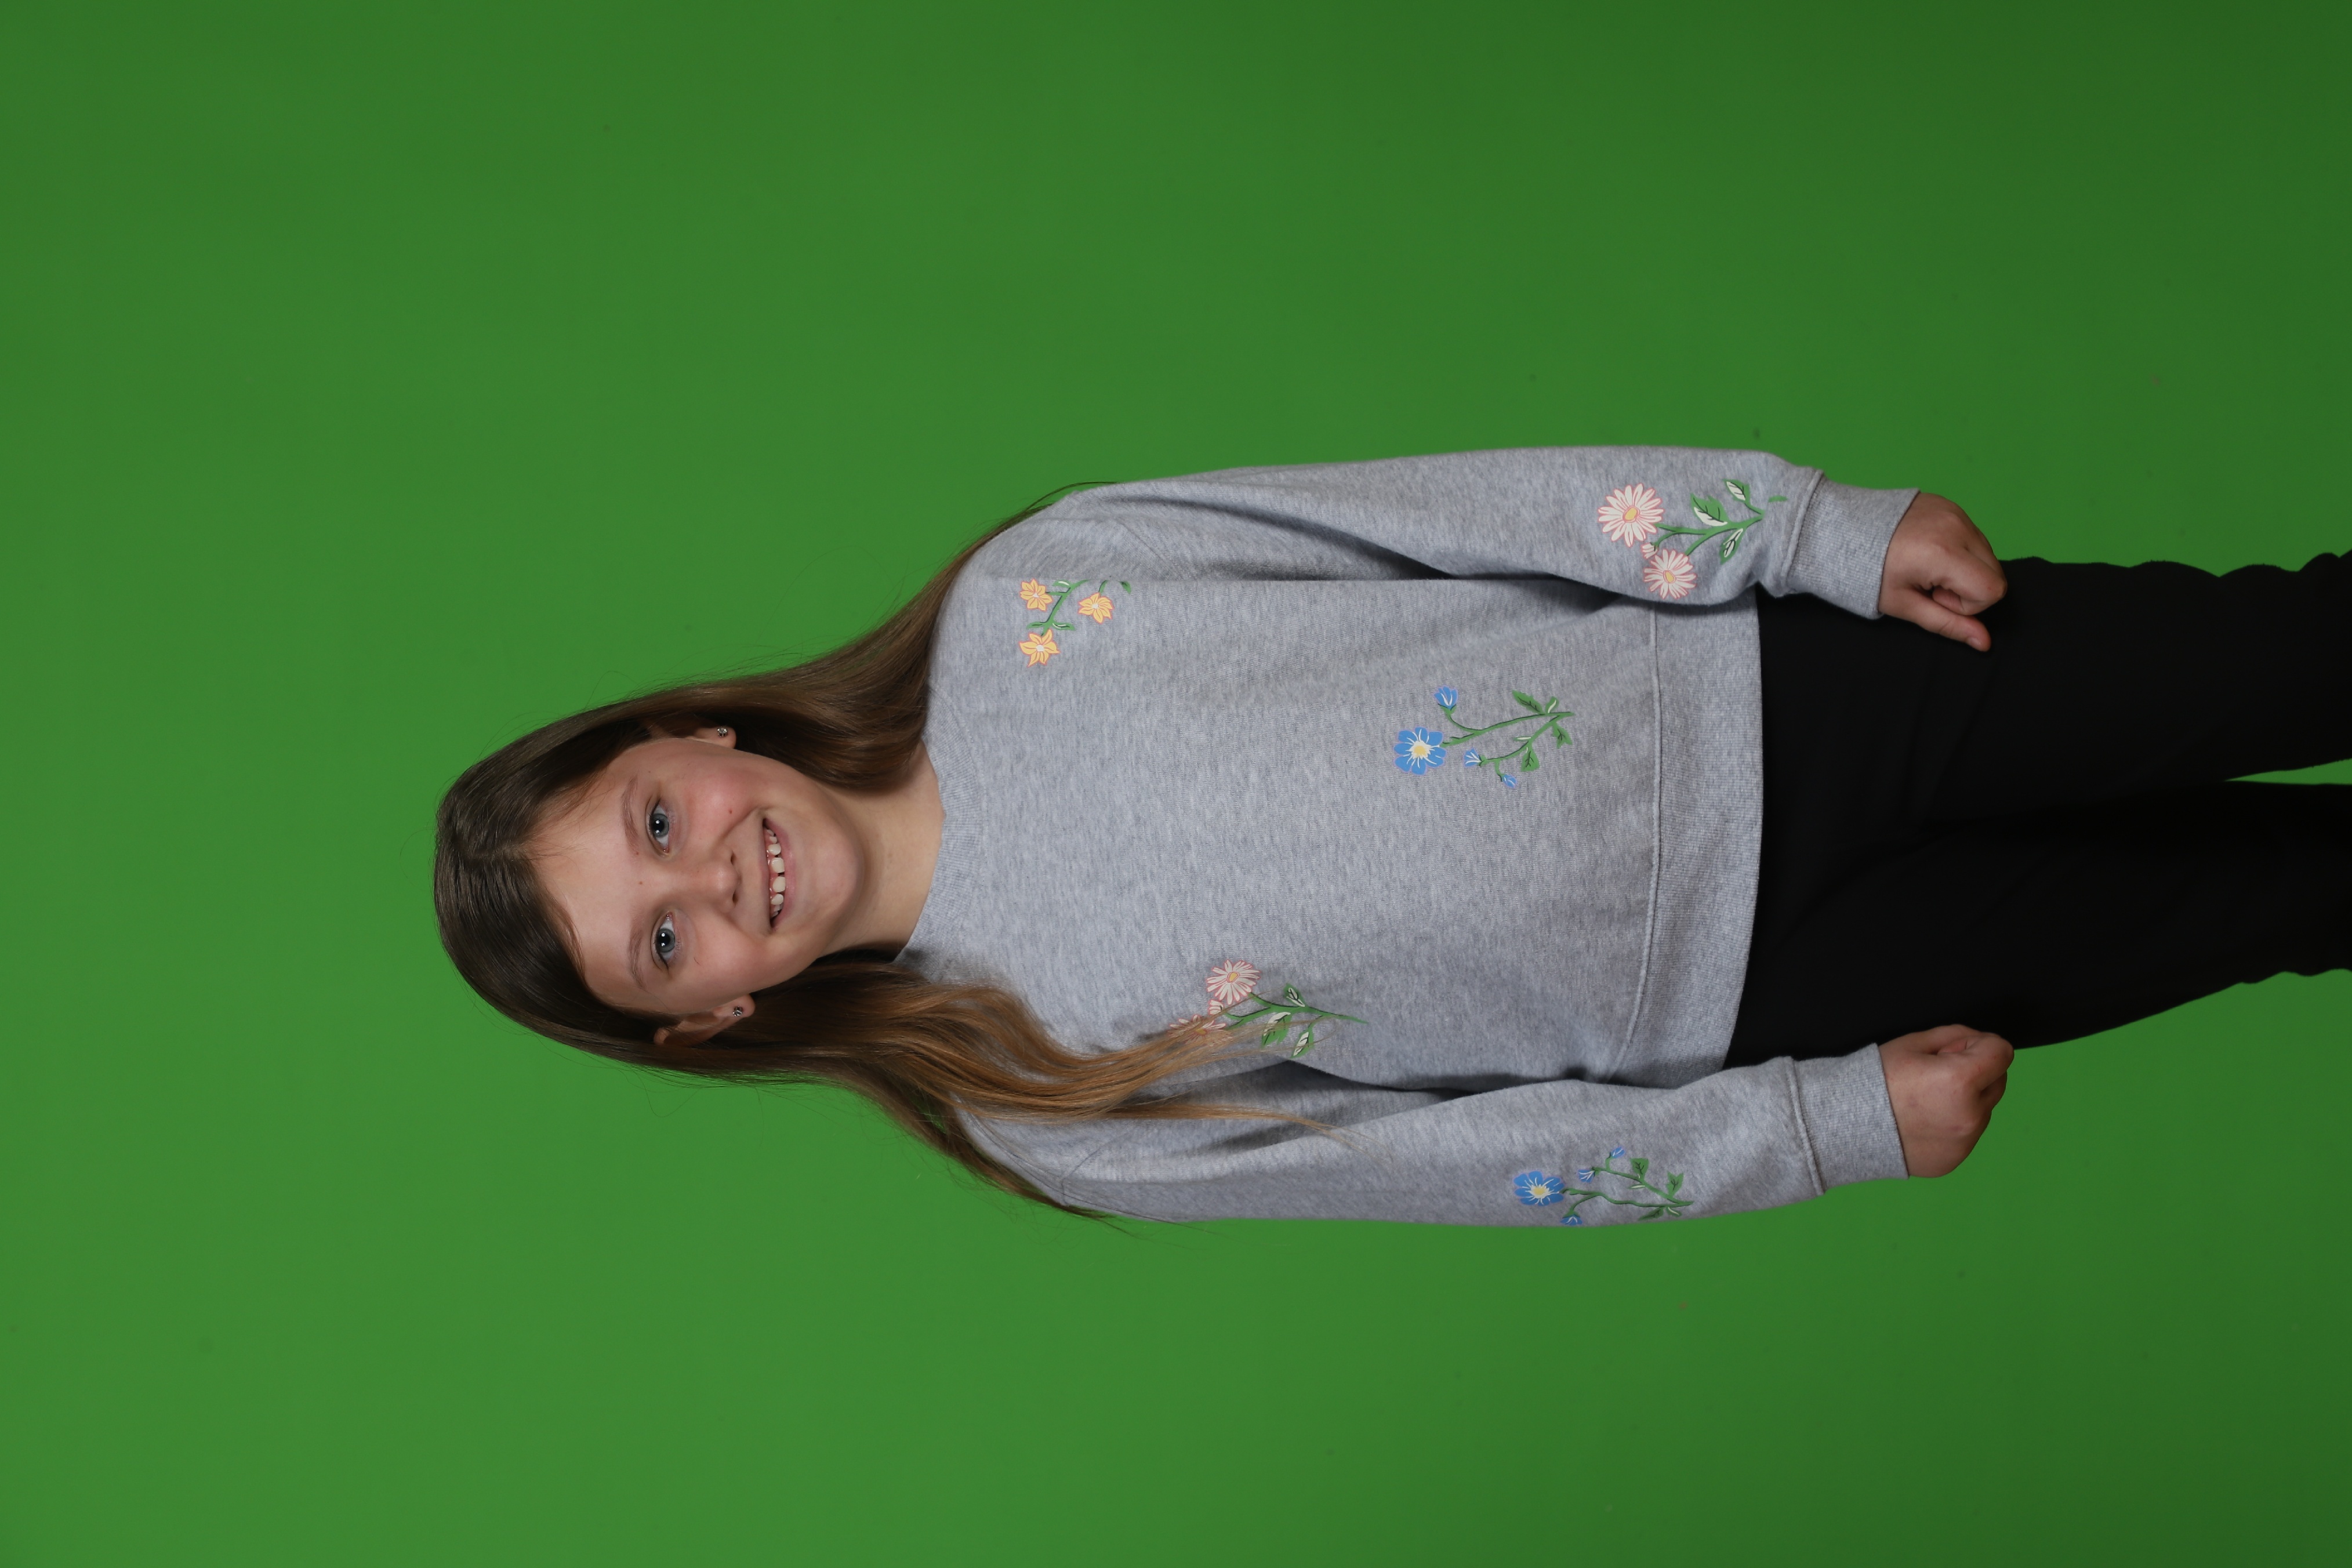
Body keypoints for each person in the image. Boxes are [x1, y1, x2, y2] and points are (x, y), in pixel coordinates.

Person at [433, 448, 2351, 1225]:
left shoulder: (1039, 595)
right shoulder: (1037, 1105)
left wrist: (1796, 529)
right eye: (663, 940)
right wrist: (1809, 1132)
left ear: (683, 736)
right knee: (2290, 896)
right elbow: (1450, 1162)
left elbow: (1446, 514)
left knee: (2303, 653)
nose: (710, 875)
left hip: (1805, 687)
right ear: (709, 1017)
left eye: (655, 821)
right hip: (1783, 983)